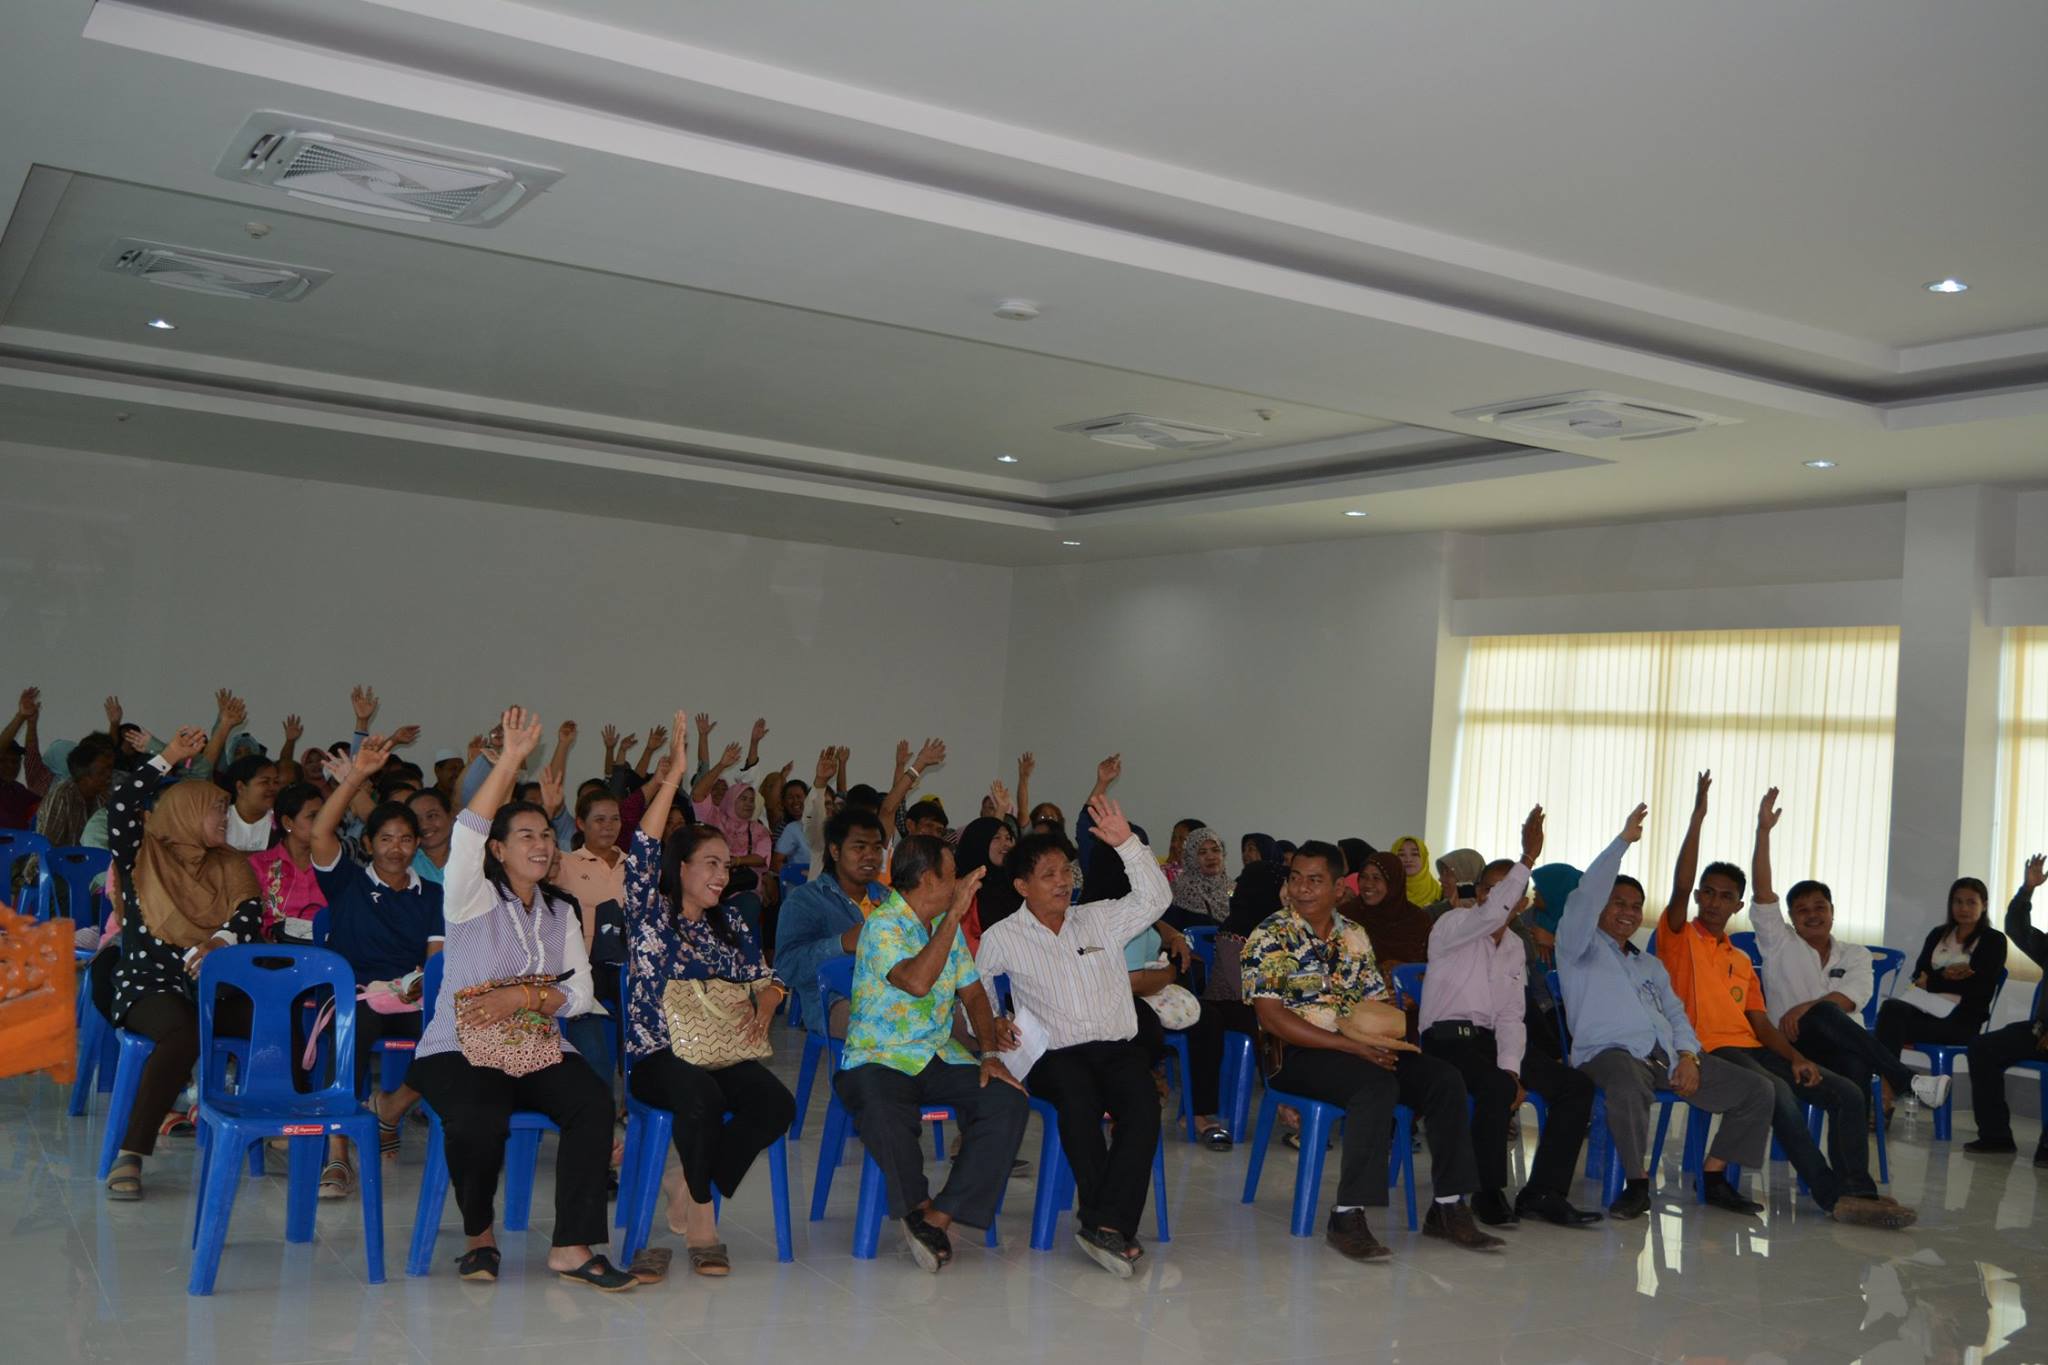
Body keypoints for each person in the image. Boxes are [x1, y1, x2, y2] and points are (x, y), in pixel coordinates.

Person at [404, 709, 632, 1291]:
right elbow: (464, 835)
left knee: (591, 1103)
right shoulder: (472, 899)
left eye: (545, 834)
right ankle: (480, 1236)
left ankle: (572, 1246)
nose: (539, 843)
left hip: (533, 1046)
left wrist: (527, 996)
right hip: (459, 1048)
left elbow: (581, 994)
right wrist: (508, 759)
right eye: (524, 835)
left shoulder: (559, 911)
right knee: (479, 1118)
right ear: (499, 851)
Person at [1656, 781, 1911, 1229]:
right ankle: (1833, 1197)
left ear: (1737, 905)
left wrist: (1795, 1058)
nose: (1715, 902)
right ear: (1698, 897)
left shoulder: (1739, 959)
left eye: (1725, 896)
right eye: (1708, 893)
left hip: (1760, 1048)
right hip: (1709, 1048)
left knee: (1848, 1093)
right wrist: (1697, 819)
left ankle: (1859, 1192)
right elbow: (1679, 886)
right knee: (1779, 1096)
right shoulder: (1680, 939)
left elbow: (1757, 1021)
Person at [1242, 839, 1498, 1261]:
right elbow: (1271, 1018)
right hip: (1297, 1054)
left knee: (1443, 1079)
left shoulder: (1354, 935)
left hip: (1358, 1046)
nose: (1302, 888)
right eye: (1295, 878)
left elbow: (1376, 1002)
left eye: (1315, 880)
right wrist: (1348, 1046)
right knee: (1375, 1087)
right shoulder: (1272, 935)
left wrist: (1381, 1039)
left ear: (1339, 887)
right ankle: (1346, 1216)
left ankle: (1449, 1206)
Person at [624, 714, 793, 1277]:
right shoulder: (652, 913)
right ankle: (702, 1217)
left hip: (719, 1048)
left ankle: (687, 1182)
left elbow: (767, 980)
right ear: (681, 868)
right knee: (701, 1097)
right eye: (711, 865)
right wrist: (672, 774)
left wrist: (767, 1006)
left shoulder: (733, 925)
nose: (723, 876)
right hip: (658, 1055)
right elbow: (645, 844)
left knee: (776, 1105)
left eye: (726, 865)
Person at [974, 793, 1170, 1277]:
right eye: (1049, 875)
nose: (1063, 882)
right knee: (1078, 1100)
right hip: (1054, 1056)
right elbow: (974, 985)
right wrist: (994, 1022)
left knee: (1143, 1102)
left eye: (1066, 872)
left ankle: (1105, 1222)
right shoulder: (1004, 935)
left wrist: (1127, 845)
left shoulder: (1099, 917)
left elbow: (1155, 899)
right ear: (1022, 885)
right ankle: (1106, 1223)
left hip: (1115, 1047)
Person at [1555, 803, 1775, 1220]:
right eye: (1617, 902)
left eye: (1635, 905)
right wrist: (1622, 843)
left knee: (1758, 1090)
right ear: (1601, 908)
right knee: (1625, 1078)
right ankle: (1637, 1184)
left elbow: (1677, 1017)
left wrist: (1689, 1056)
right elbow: (1585, 896)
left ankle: (1714, 1177)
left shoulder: (1647, 964)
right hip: (1608, 1055)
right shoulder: (1577, 949)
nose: (1627, 911)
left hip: (1666, 1056)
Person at [835, 835, 1031, 1271]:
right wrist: (956, 914)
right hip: (878, 1056)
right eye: (953, 874)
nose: (960, 882)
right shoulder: (883, 925)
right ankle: (918, 1206)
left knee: (1007, 1099)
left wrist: (988, 1056)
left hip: (937, 1054)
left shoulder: (944, 922)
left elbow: (975, 995)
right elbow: (918, 982)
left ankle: (939, 1215)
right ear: (928, 879)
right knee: (883, 1111)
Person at [99, 724, 266, 1201]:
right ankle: (131, 1152)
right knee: (185, 1032)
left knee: (275, 1015)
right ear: (185, 812)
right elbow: (121, 805)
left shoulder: (228, 863)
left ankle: (279, 1126)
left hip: (212, 986)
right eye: (216, 809)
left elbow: (249, 912)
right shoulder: (140, 855)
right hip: (149, 984)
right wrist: (167, 755)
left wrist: (221, 938)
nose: (224, 817)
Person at [1419, 806, 1601, 1227]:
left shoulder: (1516, 947)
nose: (1492, 898)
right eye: (1487, 889)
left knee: (1575, 1087)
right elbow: (1486, 916)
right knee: (1496, 1087)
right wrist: (1527, 858)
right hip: (1446, 1041)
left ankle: (1544, 1192)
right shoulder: (1452, 925)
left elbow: (1509, 1016)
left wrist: (1511, 1069)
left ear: (1519, 902)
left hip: (1490, 1041)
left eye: (1504, 892)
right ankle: (1486, 1191)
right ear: (1479, 893)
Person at [1747, 789, 1951, 1118]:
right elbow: (1762, 891)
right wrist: (1763, 832)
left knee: (1849, 1052)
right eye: (1801, 910)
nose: (1812, 915)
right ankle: (1905, 1080)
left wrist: (1804, 1007)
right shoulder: (1779, 942)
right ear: (1791, 918)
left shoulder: (1856, 954)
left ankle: (1853, 1162)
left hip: (1842, 1045)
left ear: (1832, 911)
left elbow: (1851, 998)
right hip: (1791, 1043)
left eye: (1819, 907)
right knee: (1825, 1012)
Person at [310, 735, 445, 1188]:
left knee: (453, 1038)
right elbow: (320, 833)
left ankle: (390, 1106)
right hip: (359, 997)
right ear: (368, 843)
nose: (396, 848)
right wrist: (355, 779)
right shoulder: (346, 881)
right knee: (349, 1033)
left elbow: (436, 960)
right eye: (386, 838)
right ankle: (337, 1151)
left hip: (411, 1000)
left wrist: (423, 985)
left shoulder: (434, 895)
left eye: (407, 839)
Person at [1963, 854, 2048, 1162]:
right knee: (1982, 1048)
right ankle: (1996, 1136)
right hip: (2040, 1033)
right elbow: (2016, 927)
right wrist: (2028, 889)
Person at [776, 807, 889, 1032]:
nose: (870, 856)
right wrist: (841, 944)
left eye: (877, 849)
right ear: (835, 851)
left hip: (891, 997)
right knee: (884, 1025)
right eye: (859, 847)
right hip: (834, 1003)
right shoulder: (806, 900)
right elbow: (788, 968)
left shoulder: (889, 899)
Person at [1875, 877, 2009, 1063]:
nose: (1963, 908)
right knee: (1891, 1008)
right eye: (1958, 902)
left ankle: (1887, 1082)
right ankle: (1891, 1081)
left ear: (1984, 905)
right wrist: (1947, 976)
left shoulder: (1993, 940)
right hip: (1924, 1009)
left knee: (1888, 1027)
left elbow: (1980, 988)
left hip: (1961, 1021)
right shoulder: (1938, 934)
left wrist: (1933, 981)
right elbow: (1918, 975)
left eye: (1971, 902)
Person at [248, 782, 327, 941]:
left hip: (327, 956)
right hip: (273, 956)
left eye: (324, 816)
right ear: (288, 822)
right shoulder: (258, 865)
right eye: (313, 816)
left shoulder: (333, 865)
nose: (323, 823)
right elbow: (250, 918)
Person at [1340, 851, 1433, 970]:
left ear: (1393, 883)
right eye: (1364, 877)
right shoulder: (1346, 915)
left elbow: (1429, 968)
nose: (1368, 884)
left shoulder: (1418, 920)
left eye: (1376, 878)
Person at [0, 686, 53, 830]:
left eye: (15, 761)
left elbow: (32, 755)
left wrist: (31, 723)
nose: (11, 766)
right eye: (3, 761)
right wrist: (20, 716)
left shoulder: (18, 790)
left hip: (22, 850)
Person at [1165, 825, 1232, 929]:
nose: (1211, 857)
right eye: (1202, 852)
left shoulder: (1233, 888)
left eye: (1215, 850)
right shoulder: (1179, 891)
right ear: (1191, 859)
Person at [216, 753, 280, 853]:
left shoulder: (281, 821)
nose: (273, 788)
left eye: (276, 782)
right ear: (241, 787)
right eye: (265, 782)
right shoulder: (219, 818)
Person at [409, 788, 455, 885]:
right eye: (416, 819)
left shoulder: (471, 853)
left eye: (432, 816)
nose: (424, 825)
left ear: (451, 816)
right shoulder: (405, 860)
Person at [1426, 848, 1486, 920]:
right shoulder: (1434, 910)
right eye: (1442, 872)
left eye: (1448, 873)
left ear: (1466, 876)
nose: (1440, 879)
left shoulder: (1488, 913)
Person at [1390, 836, 1443, 909]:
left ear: (1424, 858)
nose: (1408, 860)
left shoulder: (1440, 893)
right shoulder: (1384, 891)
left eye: (1415, 854)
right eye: (1401, 855)